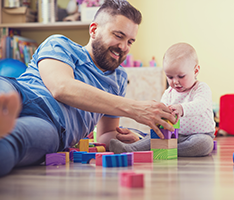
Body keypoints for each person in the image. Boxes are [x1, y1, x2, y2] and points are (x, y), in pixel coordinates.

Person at [0, 0, 176, 177]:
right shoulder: (60, 44)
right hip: (21, 91)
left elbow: (105, 134)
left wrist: (131, 140)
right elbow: (61, 87)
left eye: (130, 41)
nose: (124, 47)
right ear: (94, 30)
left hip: (53, 126)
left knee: (14, 141)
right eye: (118, 35)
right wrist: (134, 108)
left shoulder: (118, 78)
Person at [110, 42, 216, 157]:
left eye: (181, 76)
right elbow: (161, 112)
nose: (175, 81)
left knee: (203, 144)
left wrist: (181, 108)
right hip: (172, 133)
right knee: (154, 135)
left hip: (199, 134)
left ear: (195, 71)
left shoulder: (201, 88)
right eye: (170, 77)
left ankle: (171, 151)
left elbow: (200, 105)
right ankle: (131, 148)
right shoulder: (169, 93)